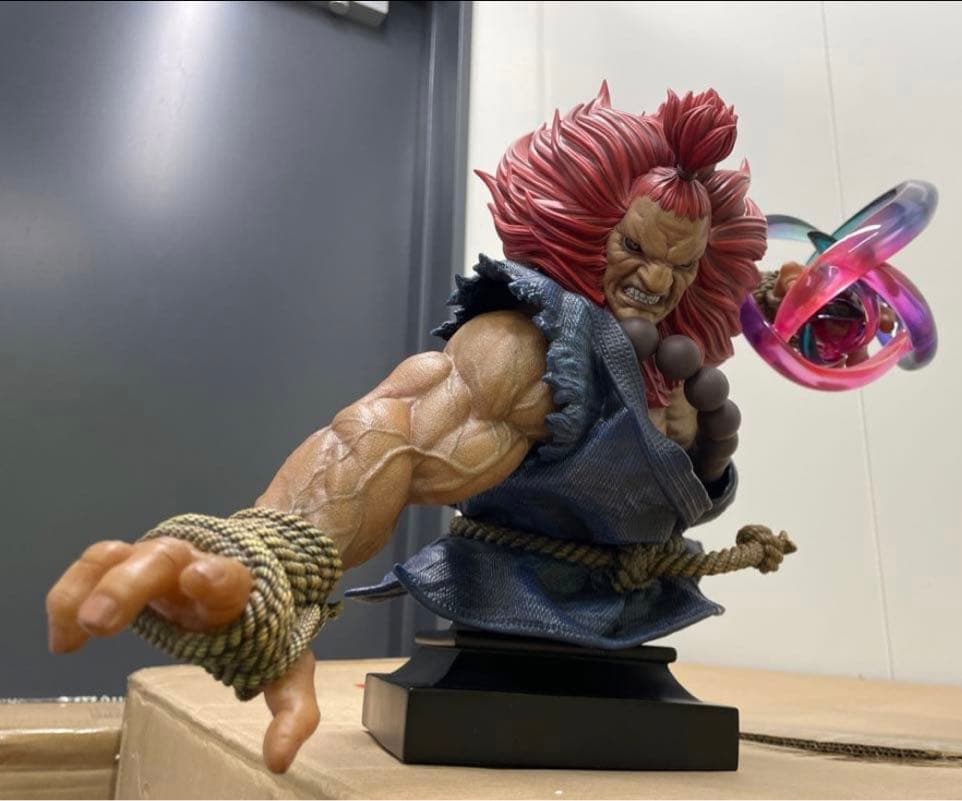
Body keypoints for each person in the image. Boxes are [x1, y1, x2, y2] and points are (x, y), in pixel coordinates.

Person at [46, 84, 797, 774]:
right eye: (633, 247)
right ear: (587, 225)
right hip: (515, 611)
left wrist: (777, 303)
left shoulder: (666, 355)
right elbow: (396, 430)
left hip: (629, 621)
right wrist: (268, 556)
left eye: (682, 264)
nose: (658, 281)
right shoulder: (532, 346)